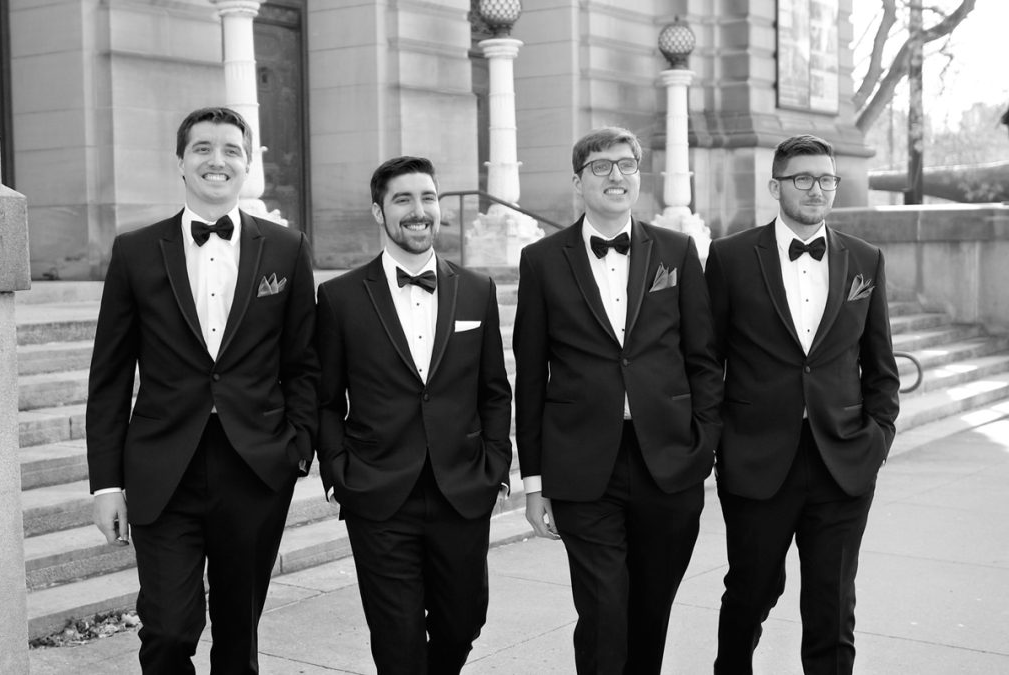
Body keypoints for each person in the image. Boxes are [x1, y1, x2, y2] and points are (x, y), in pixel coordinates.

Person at [86, 106, 319, 673]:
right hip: (163, 467)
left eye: (231, 150)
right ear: (181, 162)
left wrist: (298, 449)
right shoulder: (135, 251)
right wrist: (106, 484)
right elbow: (110, 376)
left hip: (256, 466)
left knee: (239, 634)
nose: (218, 160)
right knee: (168, 630)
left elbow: (303, 363)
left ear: (247, 163)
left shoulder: (287, 248)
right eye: (203, 148)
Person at [513, 127, 723, 674]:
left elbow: (702, 357)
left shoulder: (677, 251)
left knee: (651, 611)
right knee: (603, 611)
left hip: (668, 462)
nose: (617, 176)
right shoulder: (541, 260)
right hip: (583, 466)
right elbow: (530, 377)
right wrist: (533, 483)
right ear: (577, 181)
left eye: (627, 165)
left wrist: (703, 445)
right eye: (601, 166)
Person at [705, 134, 900, 674]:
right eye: (803, 179)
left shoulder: (865, 259)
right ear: (776, 187)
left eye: (827, 179)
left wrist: (877, 439)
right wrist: (718, 442)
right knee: (750, 592)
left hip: (843, 462)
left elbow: (880, 364)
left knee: (832, 607)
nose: (817, 189)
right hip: (757, 461)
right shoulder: (729, 257)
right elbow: (707, 360)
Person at [315, 156, 512, 674]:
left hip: (461, 488)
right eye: (402, 199)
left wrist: (495, 465)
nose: (419, 210)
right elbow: (325, 399)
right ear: (378, 211)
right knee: (396, 638)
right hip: (378, 493)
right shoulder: (338, 297)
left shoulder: (477, 289)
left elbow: (494, 390)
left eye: (428, 197)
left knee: (463, 621)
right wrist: (338, 473)